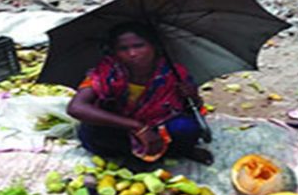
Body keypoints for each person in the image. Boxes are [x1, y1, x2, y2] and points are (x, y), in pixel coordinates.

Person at [66, 22, 213, 164]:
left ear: (154, 46)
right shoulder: (105, 73)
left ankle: (180, 151)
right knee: (92, 134)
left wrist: (192, 95)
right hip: (119, 126)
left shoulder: (173, 72)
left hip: (159, 122)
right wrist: (137, 127)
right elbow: (76, 107)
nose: (132, 53)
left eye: (139, 46)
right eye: (123, 48)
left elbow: (191, 108)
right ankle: (131, 156)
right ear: (114, 52)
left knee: (186, 128)